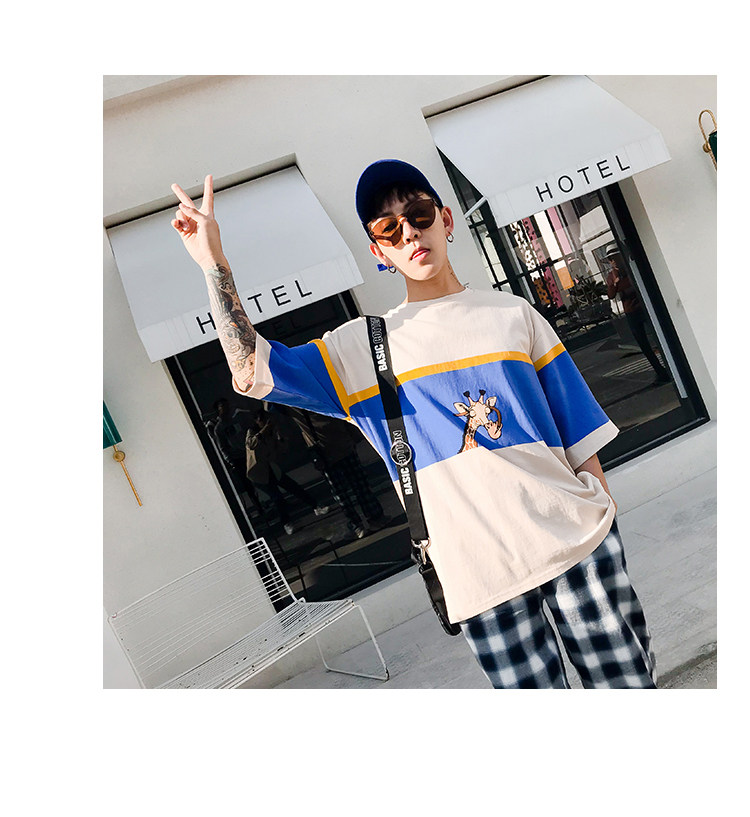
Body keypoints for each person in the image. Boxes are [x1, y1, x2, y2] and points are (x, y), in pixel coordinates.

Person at [170, 163, 657, 689]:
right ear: (378, 251)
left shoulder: (512, 314)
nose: (409, 233)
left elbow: (578, 434)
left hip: (577, 545)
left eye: (419, 215)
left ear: (445, 220)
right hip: (478, 577)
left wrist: (601, 515)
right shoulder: (361, 348)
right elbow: (250, 369)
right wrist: (213, 264)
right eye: (388, 228)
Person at [281, 405, 389, 539]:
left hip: (324, 454)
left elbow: (269, 405)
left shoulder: (294, 406)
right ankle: (375, 518)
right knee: (360, 485)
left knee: (341, 495)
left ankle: (357, 526)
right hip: (342, 444)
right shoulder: (323, 399)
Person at [245, 404, 329, 536]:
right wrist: (265, 429)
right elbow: (251, 444)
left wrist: (281, 439)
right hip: (259, 473)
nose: (266, 423)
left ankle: (315, 506)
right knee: (277, 497)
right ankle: (286, 523)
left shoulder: (273, 432)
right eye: (263, 420)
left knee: (294, 487)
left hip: (272, 468)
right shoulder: (252, 432)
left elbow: (281, 450)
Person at [605, 246, 671, 386]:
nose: (613, 261)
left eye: (615, 257)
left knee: (659, 337)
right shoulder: (612, 276)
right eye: (611, 259)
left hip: (643, 307)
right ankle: (660, 371)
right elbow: (610, 295)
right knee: (643, 344)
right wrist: (615, 283)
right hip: (630, 312)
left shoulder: (630, 268)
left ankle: (670, 366)